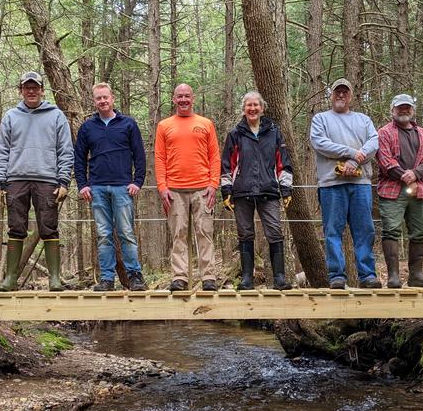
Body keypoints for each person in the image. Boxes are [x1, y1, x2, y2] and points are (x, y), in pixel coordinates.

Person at [0, 71, 74, 292]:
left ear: (41, 90)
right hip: (16, 179)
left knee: (49, 227)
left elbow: (66, 150)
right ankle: (10, 278)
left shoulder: (56, 116)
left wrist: (64, 181)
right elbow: (1, 150)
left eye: (35, 87)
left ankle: (54, 278)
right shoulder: (11, 116)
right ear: (21, 90)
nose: (31, 91)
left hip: (47, 179)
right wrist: (1, 181)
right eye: (27, 87)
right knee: (16, 227)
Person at [74, 82, 148, 291]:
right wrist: (82, 185)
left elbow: (139, 155)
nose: (103, 101)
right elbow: (79, 158)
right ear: (94, 101)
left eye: (105, 97)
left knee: (126, 232)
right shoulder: (88, 127)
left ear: (112, 98)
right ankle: (107, 279)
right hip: (96, 188)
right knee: (104, 234)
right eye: (98, 98)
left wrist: (137, 181)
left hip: (123, 187)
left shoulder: (128, 124)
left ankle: (135, 275)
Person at [309, 78, 380, 289]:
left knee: (365, 230)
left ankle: (367, 275)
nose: (341, 95)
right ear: (331, 95)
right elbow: (320, 143)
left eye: (345, 92)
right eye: (337, 92)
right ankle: (336, 275)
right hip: (331, 183)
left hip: (360, 183)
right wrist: (350, 153)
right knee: (332, 231)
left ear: (351, 96)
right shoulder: (320, 119)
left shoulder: (363, 120)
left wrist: (355, 160)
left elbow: (373, 142)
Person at [220, 91, 293, 290]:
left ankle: (279, 278)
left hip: (269, 190)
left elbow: (283, 163)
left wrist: (286, 189)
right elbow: (227, 165)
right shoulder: (235, 134)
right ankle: (246, 279)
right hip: (242, 191)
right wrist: (226, 191)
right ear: (244, 109)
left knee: (275, 232)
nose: (252, 109)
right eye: (248, 105)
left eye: (256, 105)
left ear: (262, 108)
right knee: (245, 234)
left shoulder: (274, 132)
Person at [155, 83, 221, 291]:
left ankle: (208, 277)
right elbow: (159, 157)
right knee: (178, 235)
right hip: (174, 189)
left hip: (203, 189)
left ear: (193, 98)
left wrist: (213, 184)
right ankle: (179, 277)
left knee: (204, 233)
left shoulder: (206, 124)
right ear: (173, 99)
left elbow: (214, 156)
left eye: (187, 96)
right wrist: (162, 187)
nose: (183, 100)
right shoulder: (164, 126)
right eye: (179, 96)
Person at [376, 93, 423, 289]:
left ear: (412, 110)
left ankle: (416, 275)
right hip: (392, 189)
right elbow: (385, 161)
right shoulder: (384, 133)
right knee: (391, 230)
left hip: (418, 189)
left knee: (420, 231)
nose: (404, 110)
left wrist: (415, 174)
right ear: (392, 110)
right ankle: (393, 277)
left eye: (407, 107)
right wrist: (404, 175)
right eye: (400, 107)